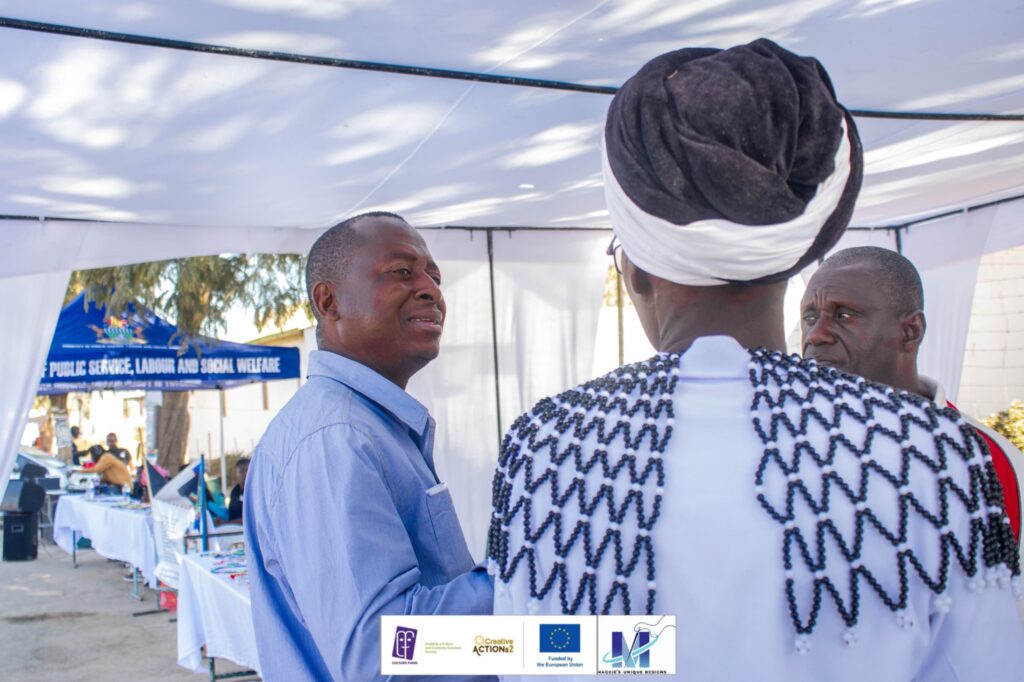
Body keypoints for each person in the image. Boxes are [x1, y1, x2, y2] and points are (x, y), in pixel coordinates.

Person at [487, 39, 1023, 680]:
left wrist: (412, 645)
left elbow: (533, 655)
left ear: (636, 270)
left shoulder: (549, 449)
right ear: (797, 257)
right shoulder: (935, 458)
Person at [245, 212, 492, 681]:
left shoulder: (365, 426)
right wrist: (521, 587)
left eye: (435, 277)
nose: (431, 290)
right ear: (328, 301)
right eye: (402, 272)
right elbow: (383, 654)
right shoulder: (335, 439)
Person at [800, 246, 1024, 543]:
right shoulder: (787, 439)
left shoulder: (984, 458)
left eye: (843, 315)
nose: (816, 335)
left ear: (910, 331)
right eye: (810, 317)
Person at [227, 458, 248, 522]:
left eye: (247, 470)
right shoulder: (235, 491)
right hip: (232, 526)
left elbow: (250, 518)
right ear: (236, 474)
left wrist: (227, 523)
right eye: (241, 471)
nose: (245, 474)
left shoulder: (255, 492)